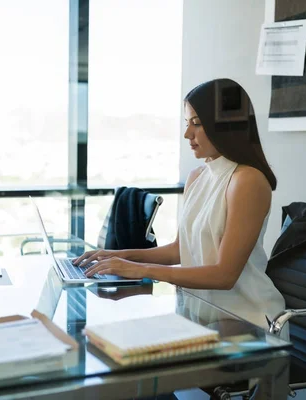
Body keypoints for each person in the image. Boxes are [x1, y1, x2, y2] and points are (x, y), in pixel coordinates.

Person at [73, 78, 286, 335]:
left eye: (197, 124)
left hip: (246, 320)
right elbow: (178, 250)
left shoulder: (247, 180)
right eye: (187, 124)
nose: (188, 134)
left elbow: (224, 275)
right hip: (200, 315)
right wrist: (119, 255)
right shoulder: (198, 177)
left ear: (226, 124)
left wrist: (140, 269)